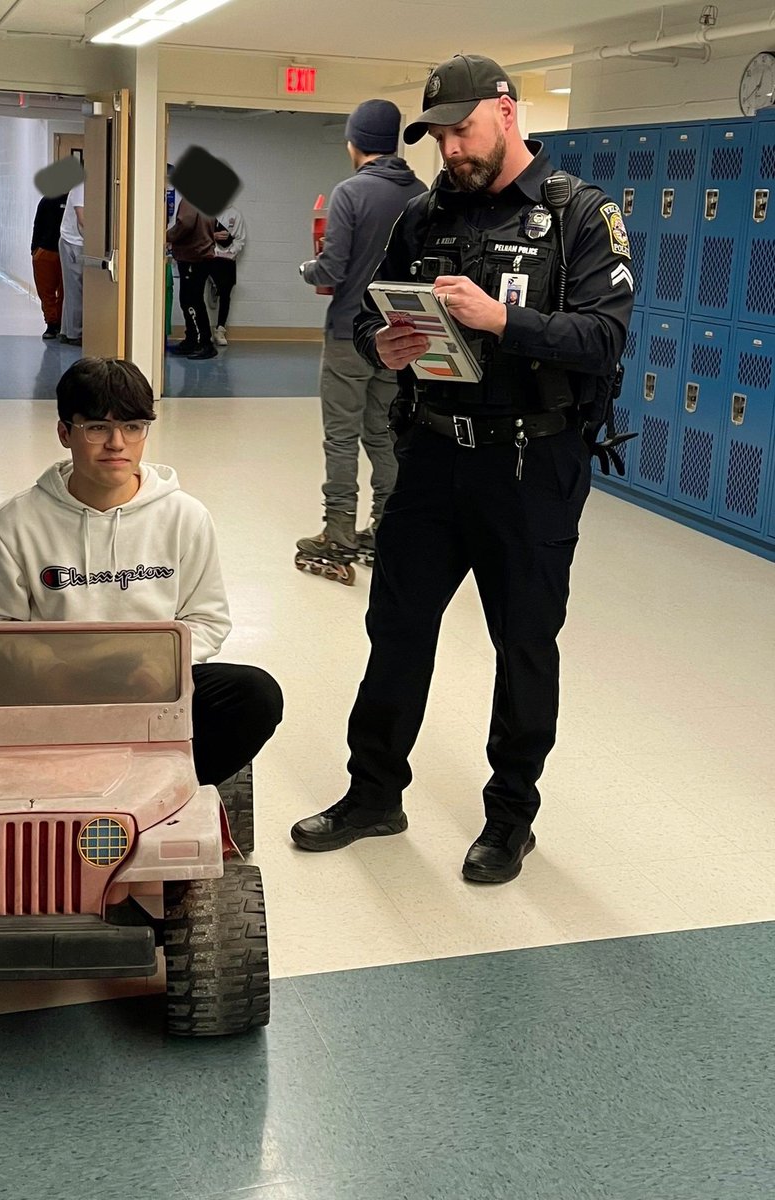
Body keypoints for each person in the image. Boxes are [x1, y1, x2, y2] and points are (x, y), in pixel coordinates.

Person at [291, 55, 635, 883]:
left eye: (463, 129)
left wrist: (503, 320)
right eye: (439, 135)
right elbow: (380, 311)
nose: (451, 148)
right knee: (396, 627)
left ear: (507, 113)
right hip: (435, 452)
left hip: (532, 463)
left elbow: (604, 337)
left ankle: (510, 817)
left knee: (522, 645)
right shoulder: (423, 215)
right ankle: (374, 791)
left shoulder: (581, 215)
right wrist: (389, 343)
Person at [0, 356, 283, 788]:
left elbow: (208, 619)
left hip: (150, 683)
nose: (117, 443)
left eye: (133, 427)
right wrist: (55, 670)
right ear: (65, 433)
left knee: (254, 695)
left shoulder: (185, 516)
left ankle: (157, 793)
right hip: (54, 688)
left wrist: (163, 667)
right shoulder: (15, 521)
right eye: (97, 427)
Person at [296, 99, 427, 577]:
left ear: (354, 142)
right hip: (401, 337)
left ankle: (339, 530)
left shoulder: (350, 192)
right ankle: (386, 525)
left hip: (350, 331)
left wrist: (309, 269)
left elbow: (331, 268)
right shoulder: (421, 193)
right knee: (384, 434)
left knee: (341, 436)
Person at [166, 197, 218, 360]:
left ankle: (203, 343)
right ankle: (192, 340)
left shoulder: (191, 200)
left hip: (193, 256)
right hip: (201, 255)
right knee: (192, 300)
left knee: (191, 301)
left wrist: (167, 235)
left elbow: (186, 223)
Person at [208, 205, 246, 346]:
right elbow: (199, 235)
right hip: (209, 256)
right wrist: (213, 239)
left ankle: (220, 329)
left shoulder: (235, 214)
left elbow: (240, 239)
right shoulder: (206, 212)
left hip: (228, 260)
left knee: (226, 294)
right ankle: (204, 331)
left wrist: (230, 252)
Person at [31, 192, 67, 339]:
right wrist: (34, 249)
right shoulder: (47, 200)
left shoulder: (76, 200)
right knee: (47, 292)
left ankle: (60, 322)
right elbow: (37, 225)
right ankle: (52, 324)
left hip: (67, 251)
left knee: (65, 291)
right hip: (46, 251)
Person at [58, 180, 85, 346]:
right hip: (73, 242)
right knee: (75, 289)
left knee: (74, 289)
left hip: (82, 241)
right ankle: (74, 334)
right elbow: (82, 219)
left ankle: (66, 330)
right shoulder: (81, 186)